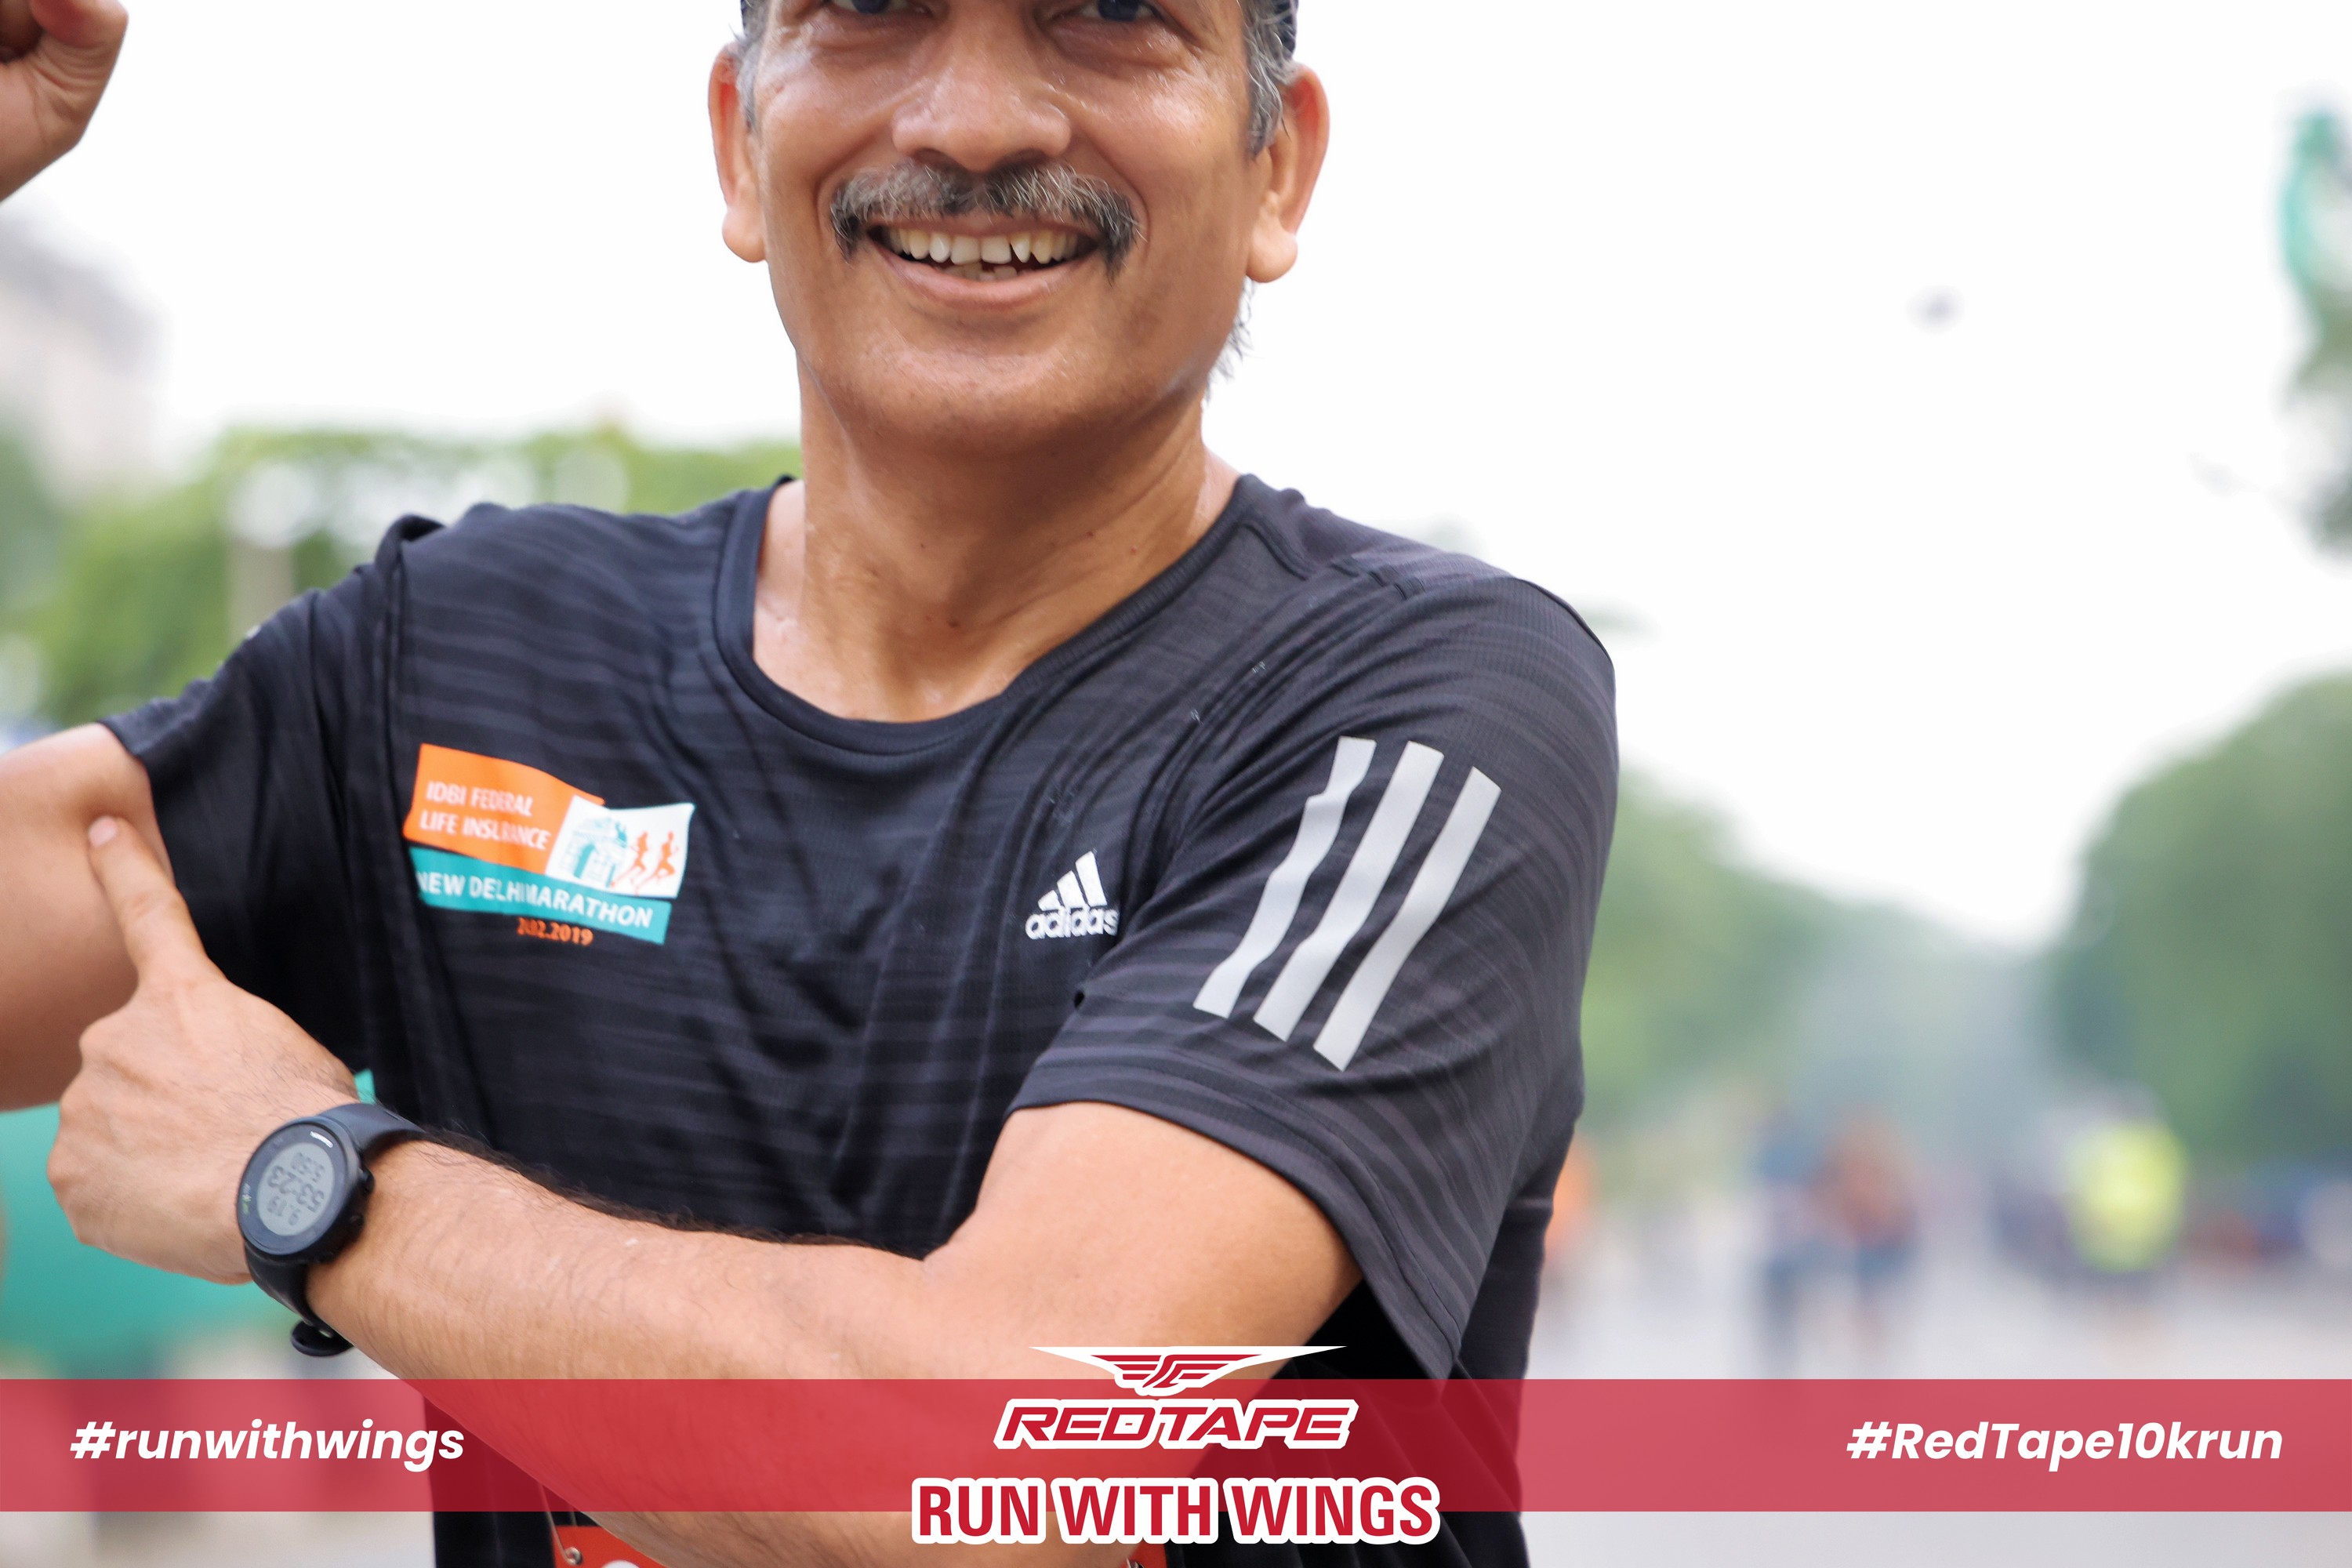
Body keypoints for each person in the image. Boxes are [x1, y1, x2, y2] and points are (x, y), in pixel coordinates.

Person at [0, 2, 1619, 1565]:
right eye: (869, 4)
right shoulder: (458, 660)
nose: (973, 121)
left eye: (1112, 9)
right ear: (737, 137)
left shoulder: (1414, 706)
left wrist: (319, 1181)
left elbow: (1011, 1465)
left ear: (1278, 167)